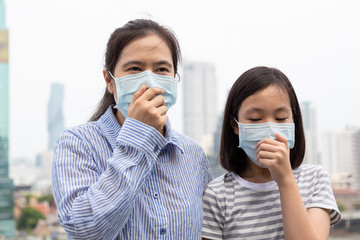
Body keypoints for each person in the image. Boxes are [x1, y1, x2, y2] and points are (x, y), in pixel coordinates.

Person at [52, 19, 213, 240]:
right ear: (110, 80)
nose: (148, 81)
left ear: (175, 79)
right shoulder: (78, 142)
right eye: (135, 69)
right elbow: (84, 230)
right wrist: (138, 136)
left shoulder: (193, 153)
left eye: (161, 69)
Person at [202, 66, 340, 240]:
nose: (270, 129)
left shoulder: (315, 180)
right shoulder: (217, 194)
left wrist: (285, 179)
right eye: (255, 119)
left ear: (293, 121)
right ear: (235, 125)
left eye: (281, 118)